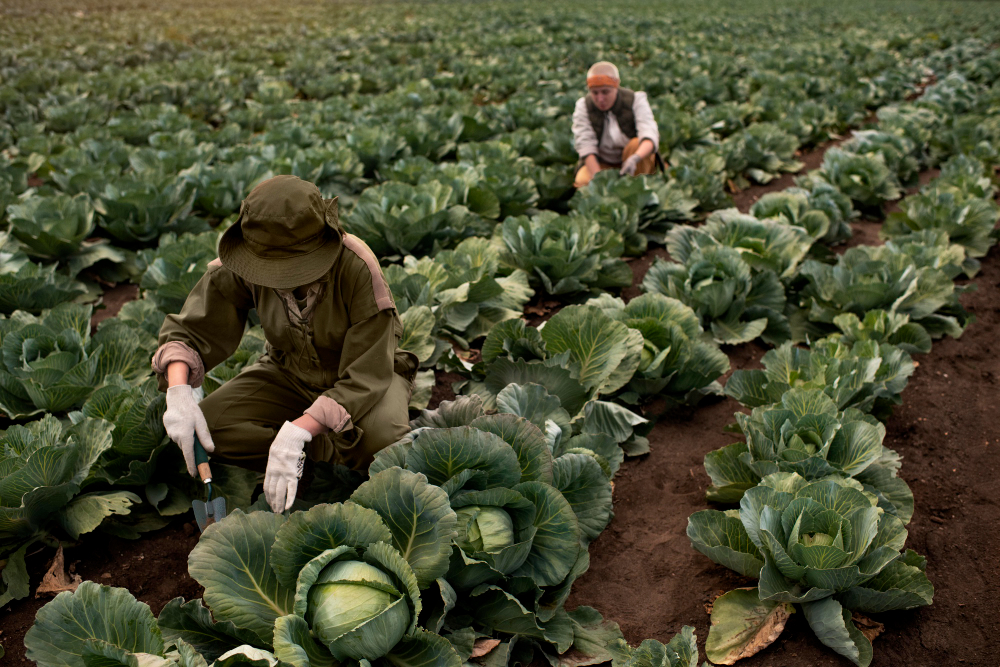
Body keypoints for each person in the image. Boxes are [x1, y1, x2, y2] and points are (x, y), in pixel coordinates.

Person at [152, 175, 416, 514]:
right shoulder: (246, 258)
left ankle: (315, 445)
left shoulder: (357, 268)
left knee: (384, 445)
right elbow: (191, 328)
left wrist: (299, 430)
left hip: (362, 383)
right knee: (210, 427)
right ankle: (310, 454)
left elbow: (367, 374)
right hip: (288, 374)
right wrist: (179, 392)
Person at [571, 61, 663, 188]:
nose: (600, 99)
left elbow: (649, 135)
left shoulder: (635, 100)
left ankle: (639, 185)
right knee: (583, 180)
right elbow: (586, 146)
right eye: (595, 93)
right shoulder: (583, 106)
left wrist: (634, 159)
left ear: (616, 87)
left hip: (634, 159)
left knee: (636, 144)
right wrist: (600, 181)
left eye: (605, 92)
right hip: (603, 162)